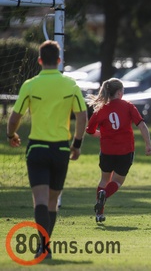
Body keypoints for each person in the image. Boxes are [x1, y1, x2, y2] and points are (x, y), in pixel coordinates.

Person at [7, 40, 88, 259]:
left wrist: (11, 134)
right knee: (53, 201)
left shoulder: (30, 85)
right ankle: (45, 247)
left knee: (40, 200)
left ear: (40, 60)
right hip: (61, 150)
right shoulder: (70, 85)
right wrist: (77, 144)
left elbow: (15, 117)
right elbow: (82, 116)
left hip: (37, 149)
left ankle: (42, 247)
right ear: (59, 61)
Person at [86, 78, 151, 223]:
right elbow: (141, 125)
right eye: (122, 91)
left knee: (104, 179)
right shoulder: (128, 106)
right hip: (125, 150)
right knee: (117, 181)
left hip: (106, 151)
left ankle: (99, 214)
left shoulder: (100, 109)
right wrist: (148, 144)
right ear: (118, 92)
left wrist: (101, 134)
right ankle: (105, 194)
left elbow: (90, 130)